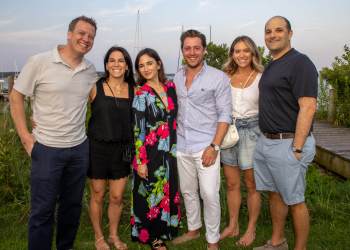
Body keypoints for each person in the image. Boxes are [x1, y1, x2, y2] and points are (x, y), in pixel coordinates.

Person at [9, 16, 97, 250]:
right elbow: (16, 97)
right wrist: (26, 138)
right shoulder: (39, 62)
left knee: (72, 208)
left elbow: (102, 98)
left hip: (79, 149)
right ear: (69, 34)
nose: (86, 39)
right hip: (47, 149)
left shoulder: (90, 71)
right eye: (81, 33)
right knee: (43, 210)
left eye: (91, 36)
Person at [253, 16, 318, 250]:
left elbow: (308, 106)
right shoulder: (272, 64)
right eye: (268, 31)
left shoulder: (300, 63)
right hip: (267, 142)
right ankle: (277, 242)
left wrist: (297, 149)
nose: (273, 35)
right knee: (275, 194)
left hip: (289, 143)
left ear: (290, 33)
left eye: (279, 30)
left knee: (295, 201)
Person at [172, 29, 232, 250]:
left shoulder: (218, 77)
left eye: (197, 47)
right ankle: (193, 229)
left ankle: (212, 240)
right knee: (187, 191)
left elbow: (225, 115)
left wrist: (214, 146)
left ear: (204, 50)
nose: (192, 52)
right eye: (187, 48)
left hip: (206, 146)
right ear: (182, 50)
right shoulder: (177, 76)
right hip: (182, 144)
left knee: (209, 193)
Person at [131, 48, 180, 250]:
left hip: (171, 150)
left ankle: (167, 228)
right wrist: (141, 161)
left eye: (149, 63)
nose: (146, 68)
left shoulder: (171, 87)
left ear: (158, 64)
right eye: (141, 66)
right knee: (150, 192)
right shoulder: (141, 94)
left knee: (169, 189)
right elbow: (138, 130)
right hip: (150, 152)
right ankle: (150, 235)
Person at [87, 46, 135, 250]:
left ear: (126, 66)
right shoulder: (94, 87)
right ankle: (99, 237)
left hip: (122, 150)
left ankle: (114, 236)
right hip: (97, 148)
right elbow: (70, 106)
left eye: (121, 60)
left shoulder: (135, 89)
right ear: (106, 65)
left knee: (116, 196)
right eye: (112, 60)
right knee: (97, 194)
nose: (116, 64)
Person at [219, 36, 263, 247]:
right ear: (232, 54)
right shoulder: (224, 76)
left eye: (246, 51)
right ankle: (233, 225)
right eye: (237, 51)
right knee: (231, 183)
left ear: (253, 53)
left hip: (253, 131)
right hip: (228, 130)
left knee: (251, 184)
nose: (242, 55)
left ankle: (251, 228)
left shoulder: (262, 77)